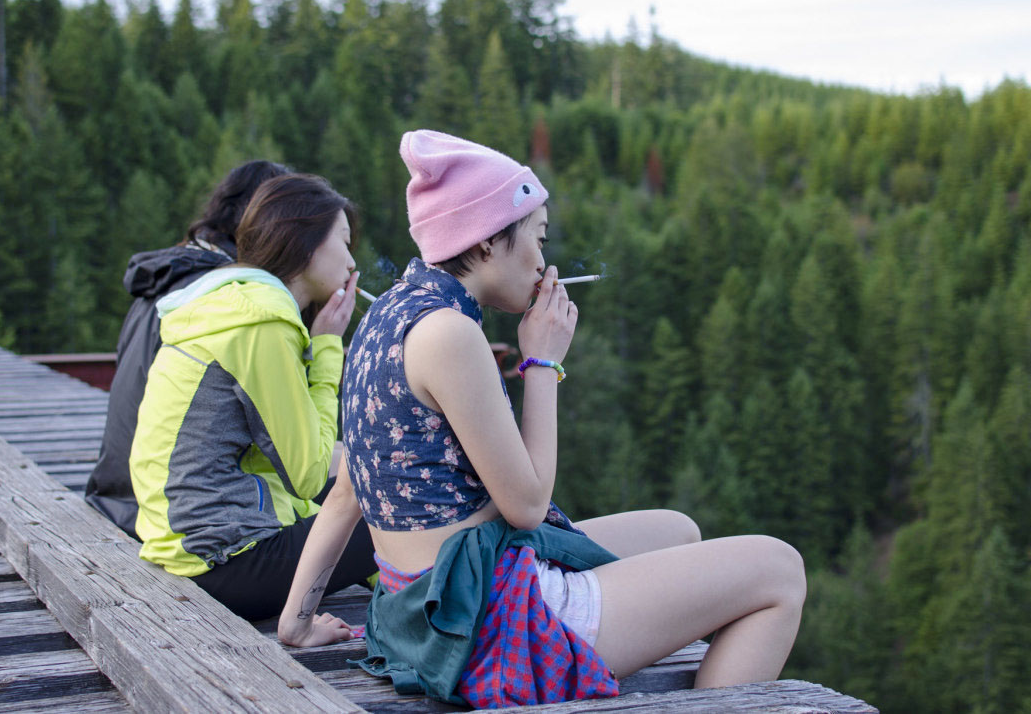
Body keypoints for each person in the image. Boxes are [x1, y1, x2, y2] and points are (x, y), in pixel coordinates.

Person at [277, 131, 806, 708]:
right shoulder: (450, 333)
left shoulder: (388, 319)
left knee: (678, 531)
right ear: (483, 244)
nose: (543, 261)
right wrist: (541, 363)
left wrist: (295, 623)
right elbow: (526, 506)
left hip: (423, 608)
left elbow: (349, 491)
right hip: (487, 624)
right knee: (779, 571)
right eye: (537, 236)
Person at [129, 173, 376, 620]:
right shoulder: (263, 324)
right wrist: (326, 350)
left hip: (182, 545)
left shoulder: (232, 304)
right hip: (226, 559)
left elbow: (284, 460)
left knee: (366, 486)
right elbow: (309, 472)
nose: (351, 262)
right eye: (344, 241)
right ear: (307, 244)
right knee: (417, 508)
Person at [86, 160, 291, 538]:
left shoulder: (170, 277)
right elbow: (288, 451)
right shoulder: (222, 297)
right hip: (158, 513)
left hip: (112, 495)